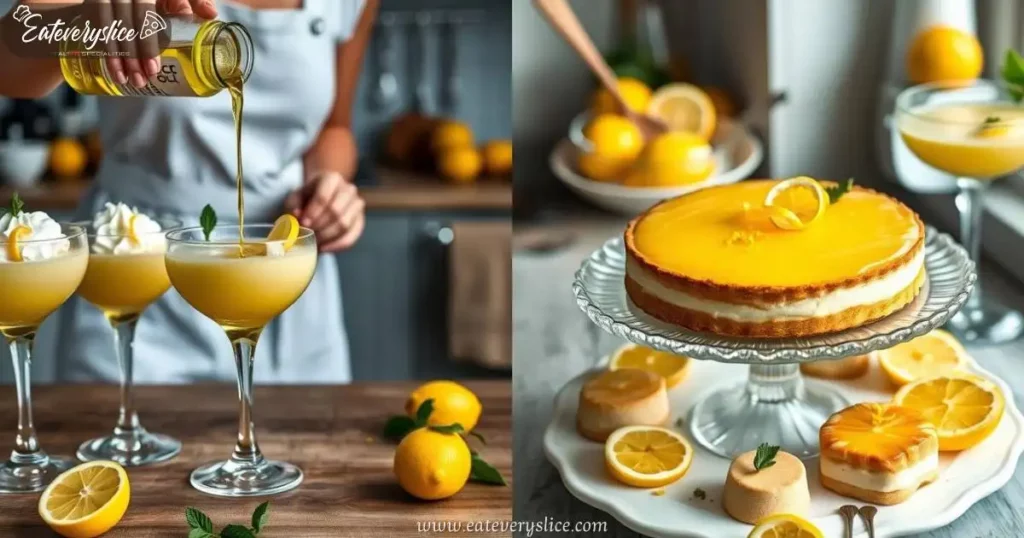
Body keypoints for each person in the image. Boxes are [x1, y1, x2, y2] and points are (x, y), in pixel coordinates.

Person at [0, 0, 377, 383]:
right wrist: (85, 20)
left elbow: (335, 127)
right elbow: (9, 58)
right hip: (136, 260)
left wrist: (329, 184)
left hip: (284, 271)